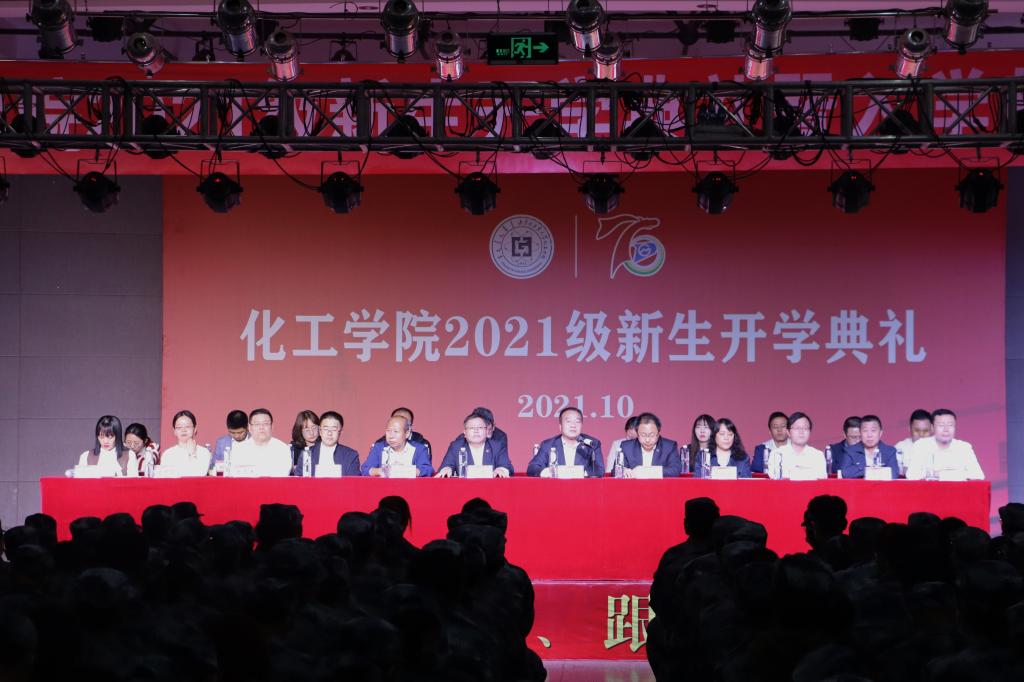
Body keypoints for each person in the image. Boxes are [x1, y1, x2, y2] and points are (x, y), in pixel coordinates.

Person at [905, 408, 984, 480]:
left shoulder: (964, 447)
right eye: (941, 425)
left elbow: (978, 475)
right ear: (932, 427)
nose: (946, 430)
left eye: (950, 425)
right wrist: (956, 474)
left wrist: (940, 474)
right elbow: (911, 475)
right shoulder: (921, 446)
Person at [526, 407, 603, 477]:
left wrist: (577, 473)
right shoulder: (548, 445)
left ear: (581, 425)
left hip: (582, 487)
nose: (573, 425)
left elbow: (599, 470)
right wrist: (549, 472)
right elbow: (532, 468)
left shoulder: (592, 444)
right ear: (560, 426)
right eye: (568, 421)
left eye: (577, 421)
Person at [436, 411, 513, 478]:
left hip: (491, 488)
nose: (476, 431)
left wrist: (502, 469)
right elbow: (446, 466)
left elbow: (507, 467)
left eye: (480, 427)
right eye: (472, 428)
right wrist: (447, 469)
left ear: (487, 431)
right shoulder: (456, 446)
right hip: (464, 488)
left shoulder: (497, 446)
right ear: (465, 432)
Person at [292, 411, 360, 477]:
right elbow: (298, 481)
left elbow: (354, 483)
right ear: (320, 431)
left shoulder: (351, 456)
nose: (329, 433)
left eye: (334, 429)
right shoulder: (306, 454)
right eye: (326, 429)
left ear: (340, 432)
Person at [362, 415, 434, 477]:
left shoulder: (419, 449)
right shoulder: (378, 448)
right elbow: (365, 469)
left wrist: (403, 470)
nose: (391, 436)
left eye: (396, 431)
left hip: (410, 487)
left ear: (407, 434)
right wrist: (381, 471)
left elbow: (427, 470)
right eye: (388, 431)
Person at [228, 408, 293, 477]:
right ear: (249, 427)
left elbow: (282, 474)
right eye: (257, 424)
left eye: (265, 423)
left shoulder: (282, 449)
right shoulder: (239, 450)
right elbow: (234, 475)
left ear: (272, 426)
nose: (261, 427)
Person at [615, 412, 682, 477]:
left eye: (652, 435)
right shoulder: (626, 447)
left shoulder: (669, 446)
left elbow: (675, 470)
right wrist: (623, 470)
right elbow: (614, 471)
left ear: (658, 434)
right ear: (637, 434)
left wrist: (646, 471)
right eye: (643, 435)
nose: (647, 440)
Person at [837, 414, 900, 479]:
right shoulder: (850, 451)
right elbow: (845, 473)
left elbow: (893, 474)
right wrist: (870, 469)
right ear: (860, 433)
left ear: (880, 433)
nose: (869, 435)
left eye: (873, 430)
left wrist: (861, 471)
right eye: (865, 431)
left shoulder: (890, 451)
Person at [767, 412, 826, 480]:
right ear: (788, 432)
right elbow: (773, 478)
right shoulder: (777, 454)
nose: (801, 432)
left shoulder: (818, 455)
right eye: (797, 428)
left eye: (805, 428)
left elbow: (822, 480)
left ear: (810, 432)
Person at [159, 410, 211, 477]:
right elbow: (166, 477)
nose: (183, 430)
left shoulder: (204, 452)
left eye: (187, 426)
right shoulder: (168, 454)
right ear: (174, 431)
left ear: (195, 429)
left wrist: (192, 454)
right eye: (179, 427)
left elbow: (200, 474)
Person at [893, 408, 933, 476]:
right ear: (910, 428)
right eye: (917, 430)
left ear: (932, 429)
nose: (921, 435)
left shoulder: (938, 446)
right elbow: (896, 471)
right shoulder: (900, 447)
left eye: (925, 431)